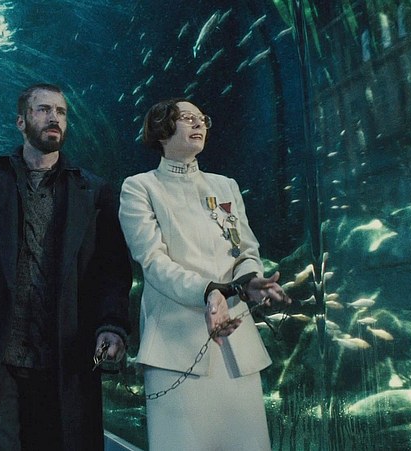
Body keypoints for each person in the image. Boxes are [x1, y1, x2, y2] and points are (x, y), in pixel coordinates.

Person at [0, 83, 132, 451]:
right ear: (21, 121)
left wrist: (112, 324)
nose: (54, 117)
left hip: (62, 349)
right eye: (43, 109)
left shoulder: (93, 190)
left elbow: (111, 270)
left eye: (61, 112)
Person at [118, 99, 291, 450]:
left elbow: (246, 250)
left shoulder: (226, 186)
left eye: (202, 119)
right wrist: (210, 291)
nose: (199, 124)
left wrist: (250, 282)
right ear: (161, 129)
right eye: (187, 118)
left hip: (237, 346)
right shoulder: (140, 187)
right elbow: (152, 261)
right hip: (175, 346)